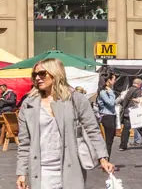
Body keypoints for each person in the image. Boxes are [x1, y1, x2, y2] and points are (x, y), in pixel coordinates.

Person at [15, 58, 113, 189]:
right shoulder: (29, 105)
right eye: (35, 75)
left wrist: (103, 157)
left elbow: (92, 129)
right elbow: (24, 143)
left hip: (71, 168)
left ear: (55, 74)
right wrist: (21, 173)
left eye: (42, 74)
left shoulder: (76, 99)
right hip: (41, 171)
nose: (37, 78)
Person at [94, 80, 117, 158]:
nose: (115, 81)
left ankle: (106, 159)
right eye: (113, 79)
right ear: (108, 81)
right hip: (107, 116)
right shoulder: (103, 92)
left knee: (110, 140)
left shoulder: (105, 91)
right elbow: (110, 103)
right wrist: (111, 92)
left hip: (111, 116)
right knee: (108, 141)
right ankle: (105, 160)